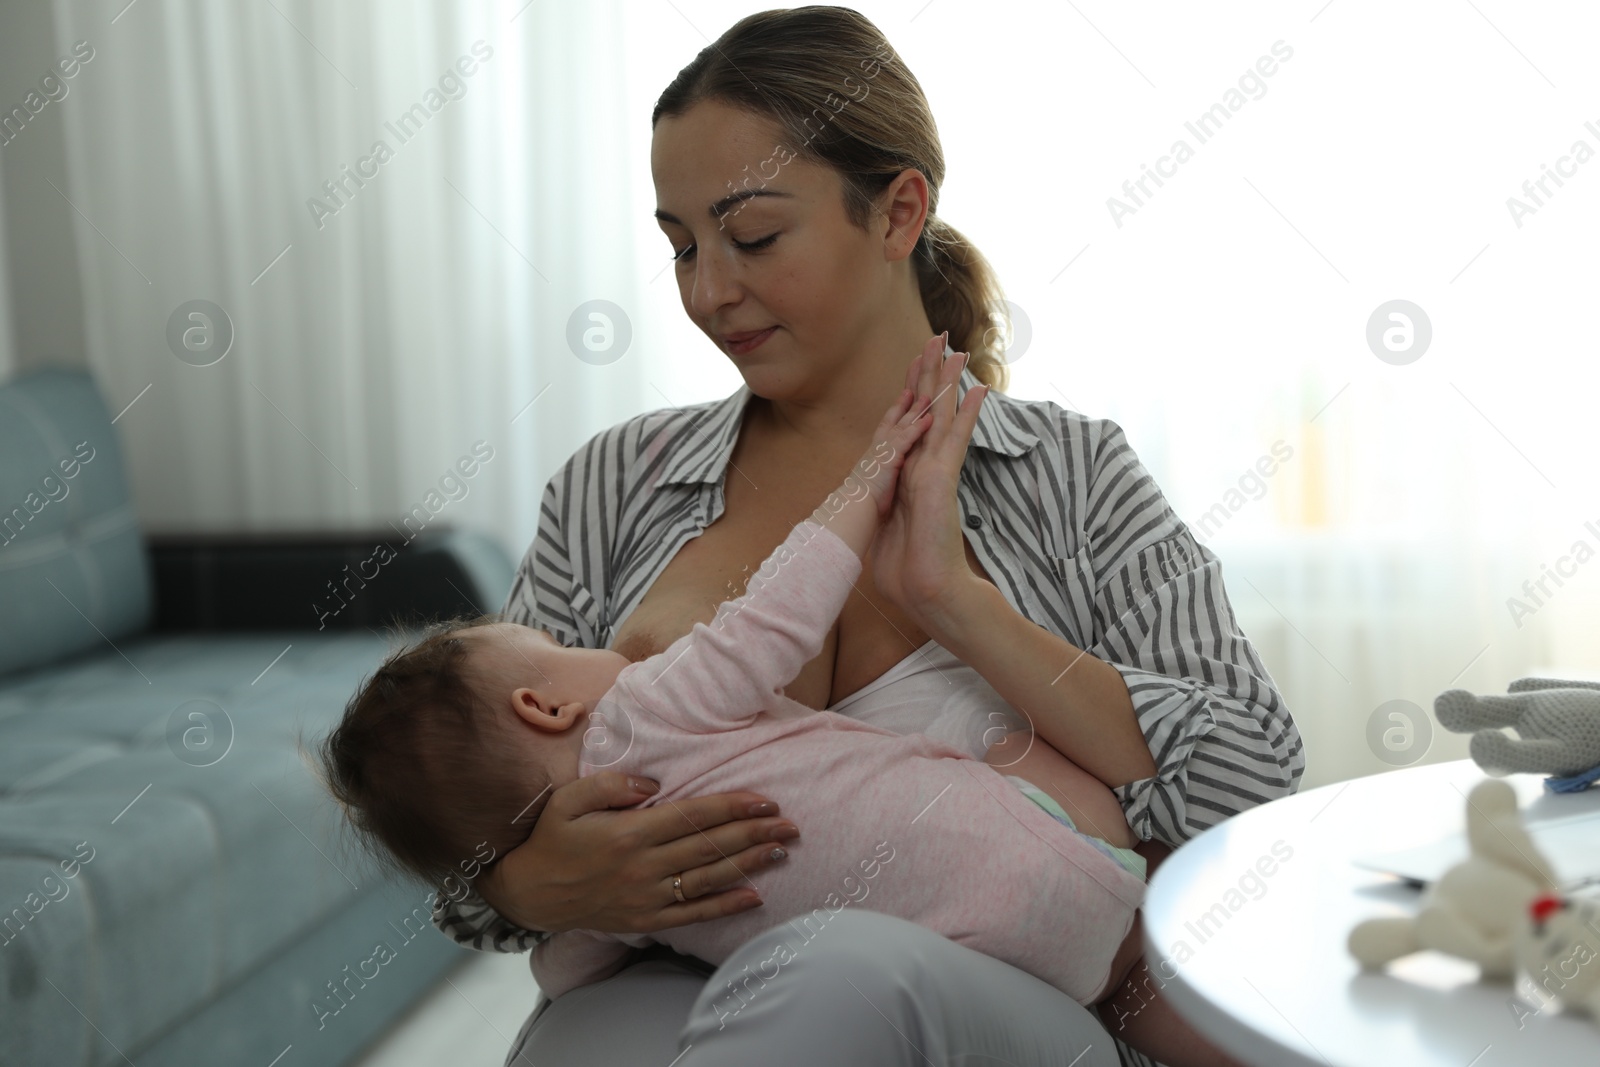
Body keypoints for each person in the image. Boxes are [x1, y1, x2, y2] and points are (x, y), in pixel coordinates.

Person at [431, 7, 1304, 1065]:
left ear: (897, 212)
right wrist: (529, 877)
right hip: (665, 980)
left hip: (1000, 994)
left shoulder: (1071, 475)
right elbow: (458, 806)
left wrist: (960, 605)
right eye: (680, 246)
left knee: (833, 973)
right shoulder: (615, 485)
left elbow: (1251, 778)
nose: (709, 291)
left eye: (752, 236)